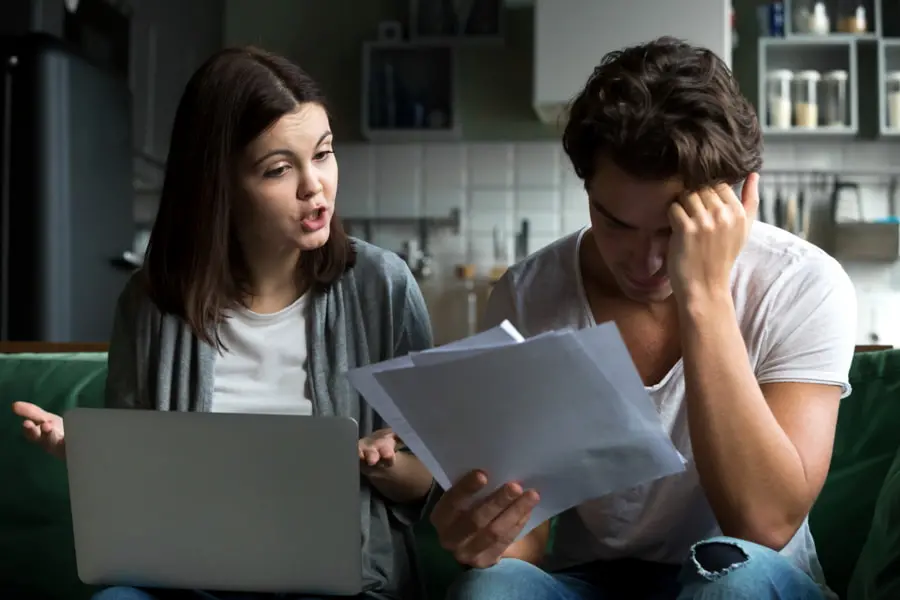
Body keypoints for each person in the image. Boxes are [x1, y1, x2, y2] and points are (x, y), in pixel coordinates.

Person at [431, 37, 855, 600]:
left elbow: (765, 525)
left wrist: (704, 294)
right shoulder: (531, 293)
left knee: (735, 585)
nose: (648, 262)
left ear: (740, 199)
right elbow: (525, 549)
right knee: (491, 589)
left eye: (674, 230)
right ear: (588, 195)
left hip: (746, 573)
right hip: (594, 582)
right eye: (616, 225)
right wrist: (484, 534)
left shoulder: (803, 283)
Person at [11, 46, 437, 600]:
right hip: (185, 584)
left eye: (324, 154)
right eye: (279, 169)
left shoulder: (383, 286)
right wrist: (93, 457)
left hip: (340, 585)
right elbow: (137, 501)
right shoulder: (151, 302)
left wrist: (383, 466)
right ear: (219, 184)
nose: (316, 186)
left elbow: (430, 483)